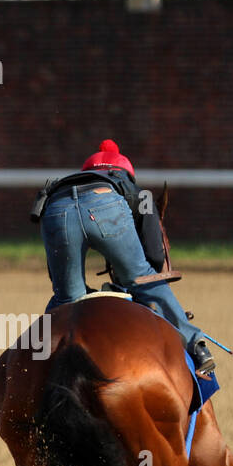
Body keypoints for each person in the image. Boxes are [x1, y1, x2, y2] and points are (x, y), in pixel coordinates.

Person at [35, 139, 218, 374]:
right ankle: (197, 346)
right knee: (144, 277)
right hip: (105, 202)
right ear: (125, 173)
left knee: (66, 299)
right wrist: (136, 279)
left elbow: (55, 272)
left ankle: (38, 363)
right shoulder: (138, 193)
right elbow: (153, 254)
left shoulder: (70, 184)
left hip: (56, 207)